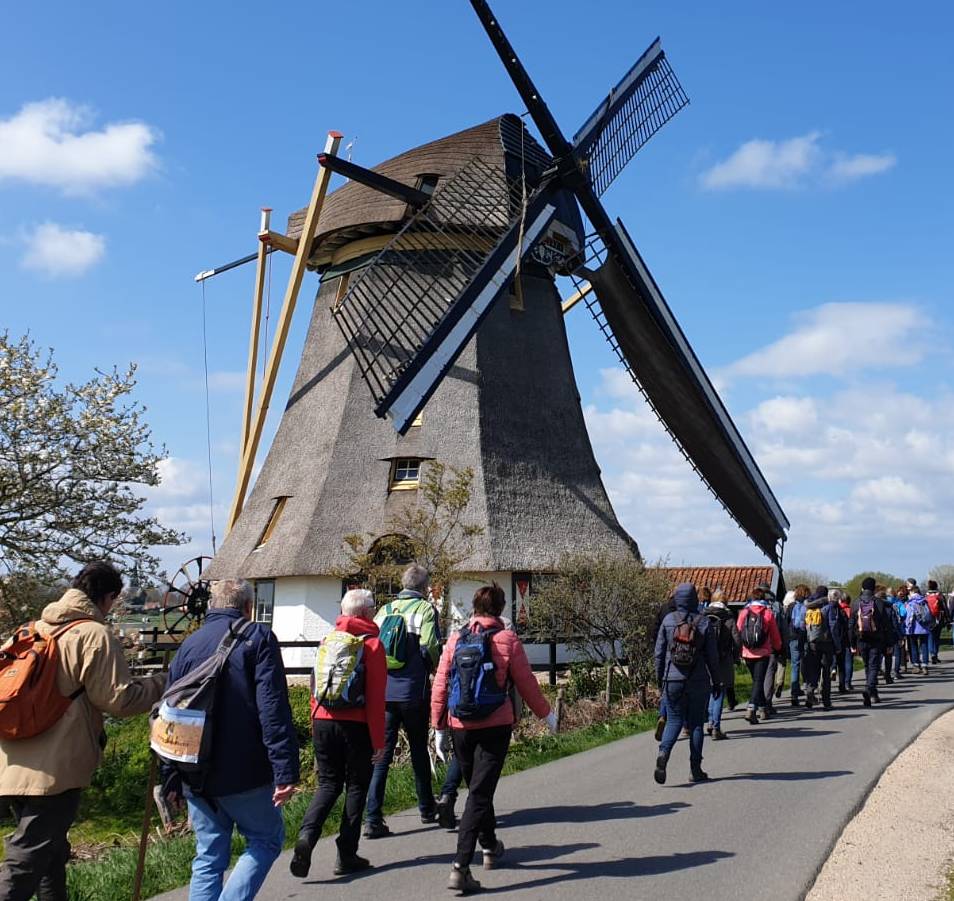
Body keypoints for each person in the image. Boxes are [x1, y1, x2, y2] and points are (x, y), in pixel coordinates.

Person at [0, 562, 166, 901]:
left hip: (12, 759)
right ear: (108, 597)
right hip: (57, 767)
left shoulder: (30, 629)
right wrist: (162, 683)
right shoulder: (94, 635)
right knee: (28, 858)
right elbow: (118, 700)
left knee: (51, 854)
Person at [162, 579, 299, 901]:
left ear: (211, 605)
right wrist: (285, 770)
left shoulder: (189, 645)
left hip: (194, 770)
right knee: (265, 840)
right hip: (244, 769)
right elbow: (273, 709)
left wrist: (171, 775)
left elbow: (169, 714)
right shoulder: (259, 637)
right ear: (248, 607)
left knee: (208, 855)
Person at [431, 583, 556, 894]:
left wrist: (438, 726)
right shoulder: (507, 639)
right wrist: (547, 715)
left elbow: (441, 684)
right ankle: (460, 867)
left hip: (460, 725)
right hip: (494, 725)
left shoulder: (456, 638)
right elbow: (526, 683)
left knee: (477, 789)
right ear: (501, 609)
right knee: (479, 794)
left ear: (474, 607)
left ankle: (489, 847)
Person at [291, 589, 387, 879]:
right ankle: (346, 853)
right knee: (357, 786)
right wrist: (379, 742)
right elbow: (376, 697)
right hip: (355, 724)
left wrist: (314, 721)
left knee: (328, 784)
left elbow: (313, 685)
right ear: (367, 613)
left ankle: (307, 836)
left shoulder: (327, 639)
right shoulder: (371, 645)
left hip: (323, 719)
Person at [365, 564, 441, 838]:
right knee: (419, 750)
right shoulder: (424, 610)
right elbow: (431, 644)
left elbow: (371, 646)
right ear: (423, 587)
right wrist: (429, 665)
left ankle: (372, 817)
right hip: (412, 692)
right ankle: (426, 807)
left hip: (384, 692)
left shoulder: (384, 610)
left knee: (381, 755)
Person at [654, 583, 720, 784]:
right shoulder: (704, 622)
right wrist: (716, 681)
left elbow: (658, 654)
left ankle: (663, 753)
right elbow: (712, 656)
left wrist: (660, 679)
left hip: (672, 679)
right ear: (694, 599)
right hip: (698, 680)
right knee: (697, 724)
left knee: (674, 721)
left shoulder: (667, 620)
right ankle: (695, 768)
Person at [737, 587, 783, 724]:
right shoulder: (767, 613)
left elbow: (739, 630)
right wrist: (778, 647)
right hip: (763, 652)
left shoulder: (744, 612)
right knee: (758, 681)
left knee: (757, 681)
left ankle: (763, 709)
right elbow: (774, 634)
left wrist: (739, 650)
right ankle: (751, 709)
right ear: (763, 598)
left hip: (747, 652)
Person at [702, 588, 740, 740]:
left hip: (705, 659)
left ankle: (710, 723)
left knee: (711, 690)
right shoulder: (728, 617)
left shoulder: (703, 615)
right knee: (719, 693)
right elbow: (737, 639)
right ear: (725, 601)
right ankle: (716, 726)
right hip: (723, 660)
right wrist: (736, 657)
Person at [849, 578, 891, 707]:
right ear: (873, 589)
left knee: (868, 665)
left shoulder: (855, 603)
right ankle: (869, 690)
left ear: (862, 588)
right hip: (876, 639)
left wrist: (852, 644)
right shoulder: (879, 602)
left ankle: (873, 693)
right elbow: (886, 625)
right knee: (873, 666)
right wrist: (889, 643)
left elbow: (851, 625)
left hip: (861, 638)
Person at [801, 586, 835, 710]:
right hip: (826, 643)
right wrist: (837, 645)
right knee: (826, 672)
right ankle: (826, 701)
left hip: (812, 643)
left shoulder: (808, 607)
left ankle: (810, 691)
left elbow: (802, 625)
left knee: (814, 669)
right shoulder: (828, 607)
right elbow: (833, 626)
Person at [652, 593, 677, 741]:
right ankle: (686, 726)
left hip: (667, 655)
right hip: (685, 656)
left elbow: (655, 632)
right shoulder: (686, 612)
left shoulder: (663, 610)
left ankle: (662, 715)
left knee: (667, 691)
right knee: (684, 692)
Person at [785, 585, 810, 706]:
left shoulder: (790, 606)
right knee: (806, 664)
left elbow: (786, 622)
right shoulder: (808, 606)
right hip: (805, 638)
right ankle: (808, 690)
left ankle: (794, 694)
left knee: (795, 665)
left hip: (793, 638)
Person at [905, 583, 932, 674]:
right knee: (924, 646)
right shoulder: (924, 601)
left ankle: (916, 665)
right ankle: (925, 665)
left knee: (914, 646)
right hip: (924, 627)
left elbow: (909, 616)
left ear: (912, 592)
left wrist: (907, 626)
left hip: (913, 628)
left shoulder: (911, 602)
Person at [833, 592, 853, 692]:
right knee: (846, 662)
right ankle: (846, 683)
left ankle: (833, 669)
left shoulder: (834, 610)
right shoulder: (849, 610)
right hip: (845, 638)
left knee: (834, 659)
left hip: (835, 639)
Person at [924, 580, 947, 664]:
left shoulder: (925, 595)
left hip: (928, 619)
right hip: (938, 618)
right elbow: (945, 608)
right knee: (937, 638)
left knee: (930, 637)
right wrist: (947, 619)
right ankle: (936, 655)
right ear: (936, 586)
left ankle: (932, 654)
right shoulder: (940, 595)